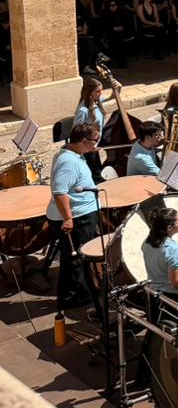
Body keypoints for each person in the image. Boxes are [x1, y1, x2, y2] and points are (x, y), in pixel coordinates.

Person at [48, 123, 103, 312]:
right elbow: (59, 192)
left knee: (76, 258)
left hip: (81, 214)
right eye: (95, 140)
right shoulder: (68, 162)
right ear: (84, 141)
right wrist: (68, 218)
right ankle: (72, 298)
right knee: (75, 258)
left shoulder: (73, 153)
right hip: (77, 218)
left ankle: (78, 293)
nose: (97, 143)